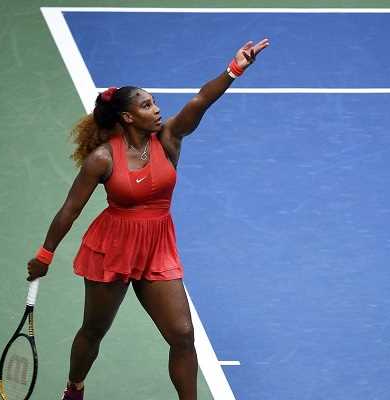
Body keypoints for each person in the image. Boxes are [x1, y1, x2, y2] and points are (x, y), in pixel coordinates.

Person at [26, 38, 270, 400]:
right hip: (113, 249)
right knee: (94, 331)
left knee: (183, 335)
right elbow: (70, 209)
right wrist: (45, 255)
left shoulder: (169, 138)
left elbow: (201, 100)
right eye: (146, 105)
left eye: (153, 102)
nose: (156, 109)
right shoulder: (103, 159)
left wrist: (235, 68)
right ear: (127, 117)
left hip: (158, 248)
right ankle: (74, 389)